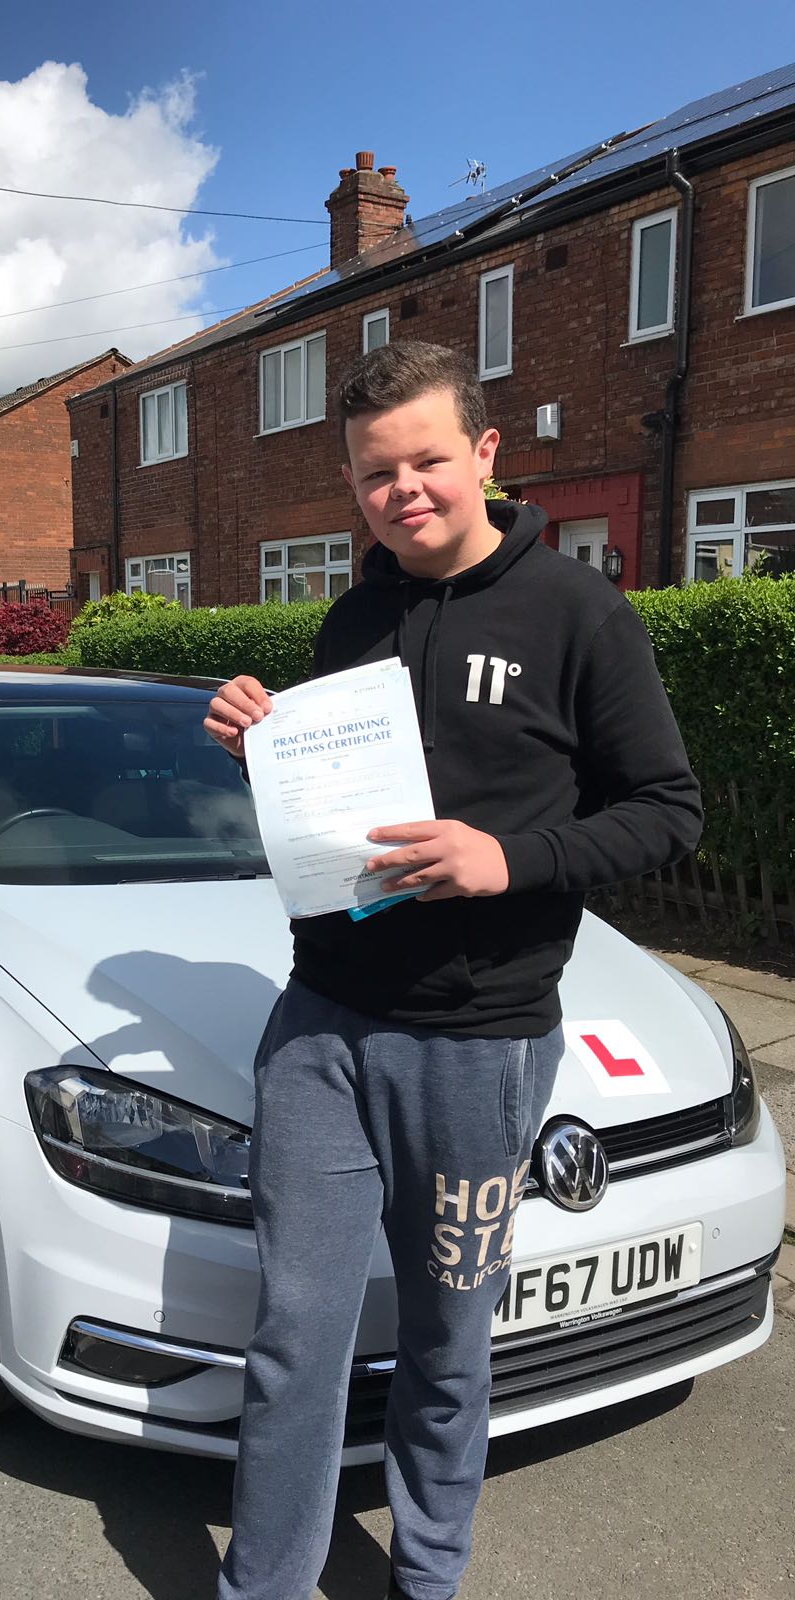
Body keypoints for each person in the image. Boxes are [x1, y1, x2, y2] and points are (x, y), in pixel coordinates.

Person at [203, 339, 702, 1600]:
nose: (403, 490)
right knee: (295, 1340)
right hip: (321, 1024)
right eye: (377, 473)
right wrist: (258, 750)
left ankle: (428, 1578)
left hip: (481, 1043)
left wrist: (511, 856)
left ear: (484, 454)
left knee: (446, 1341)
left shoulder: (580, 612)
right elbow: (332, 814)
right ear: (354, 485)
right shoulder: (353, 614)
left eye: (428, 459)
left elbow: (668, 810)